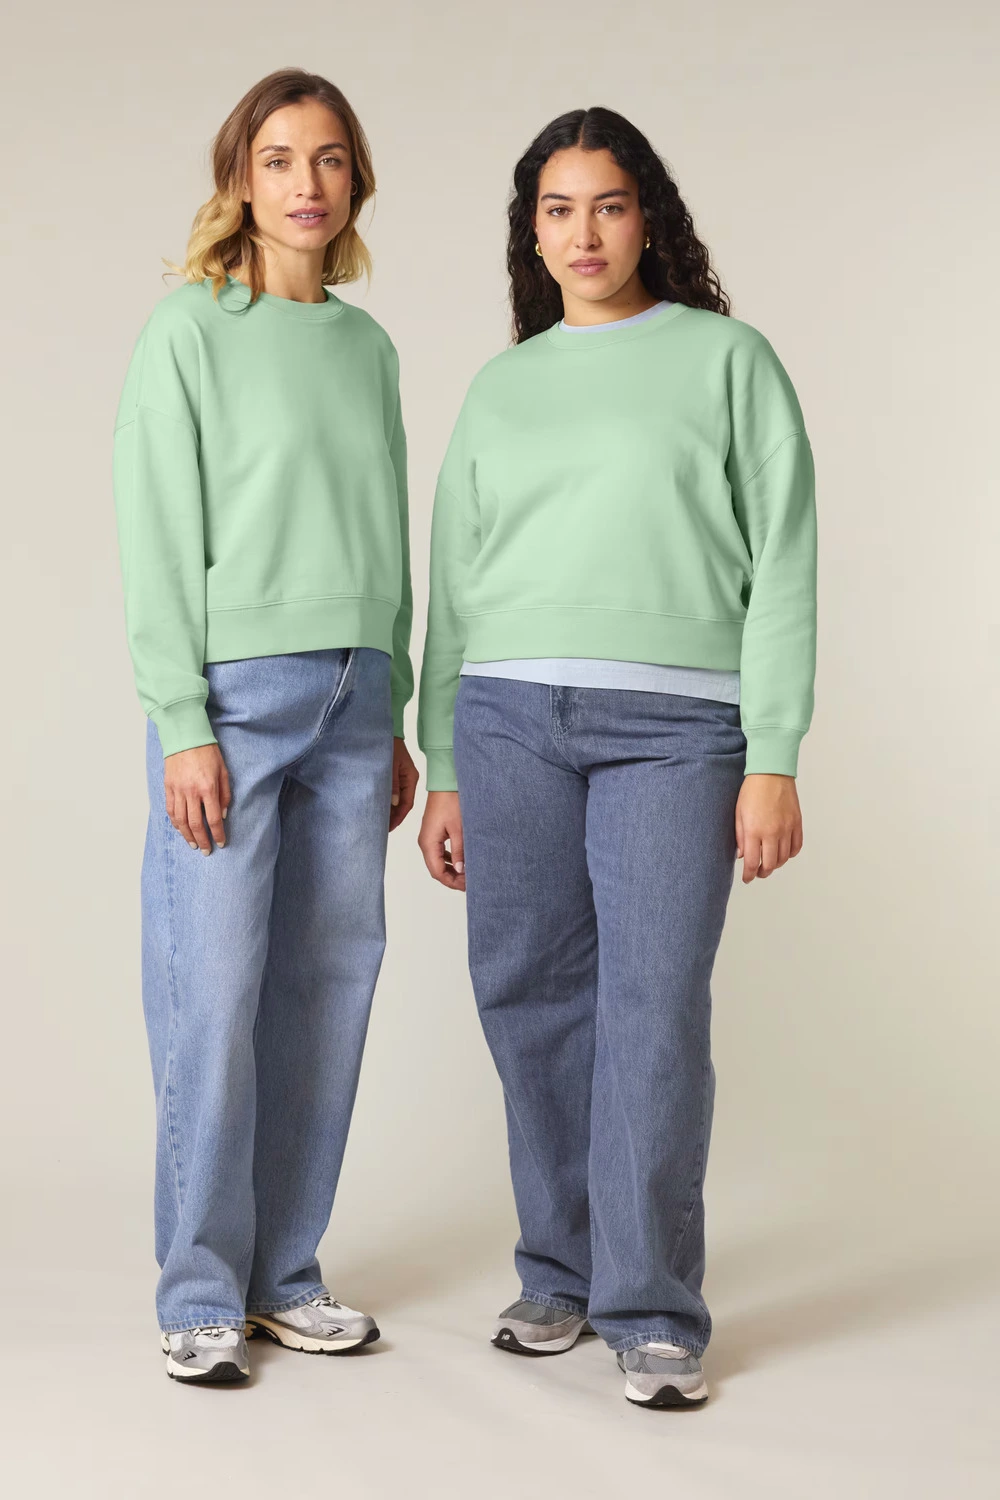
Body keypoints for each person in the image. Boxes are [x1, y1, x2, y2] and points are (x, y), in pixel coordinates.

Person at [417, 106, 817, 1409]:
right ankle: (561, 1271)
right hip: (507, 718)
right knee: (527, 993)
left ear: (650, 217)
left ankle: (651, 1307)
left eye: (608, 204)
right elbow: (456, 581)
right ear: (531, 232)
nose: (583, 232)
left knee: (651, 1007)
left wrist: (775, 753)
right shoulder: (504, 385)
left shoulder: (727, 360)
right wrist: (443, 760)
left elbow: (784, 566)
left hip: (676, 729)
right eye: (557, 209)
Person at [113, 68, 418, 1384]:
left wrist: (396, 706)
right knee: (215, 991)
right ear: (240, 178)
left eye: (330, 159)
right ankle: (199, 1285)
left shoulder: (368, 348)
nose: (307, 183)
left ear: (355, 182)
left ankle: (285, 1272)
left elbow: (385, 533)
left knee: (328, 987)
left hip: (357, 698)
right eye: (281, 158)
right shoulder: (189, 331)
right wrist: (181, 719)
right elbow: (155, 535)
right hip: (233, 703)